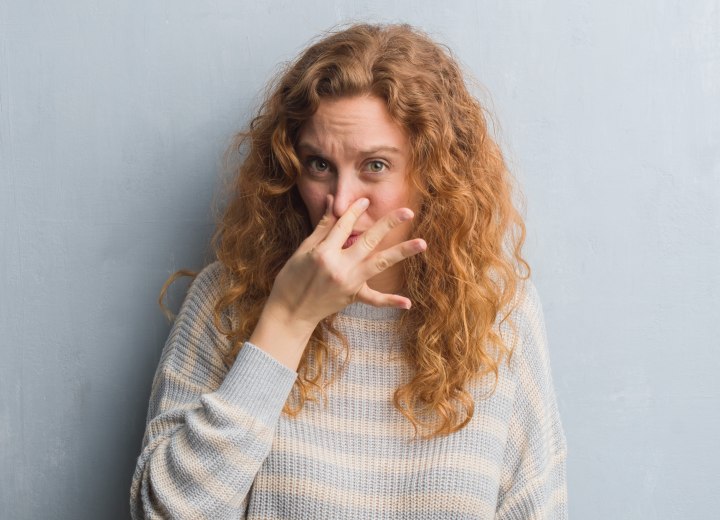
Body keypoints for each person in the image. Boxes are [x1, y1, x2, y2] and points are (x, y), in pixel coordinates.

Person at [129, 23, 567, 519]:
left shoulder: (500, 313)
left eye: (375, 166)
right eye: (318, 165)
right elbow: (164, 512)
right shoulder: (225, 300)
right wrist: (288, 320)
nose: (339, 202)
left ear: (435, 173)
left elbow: (536, 506)